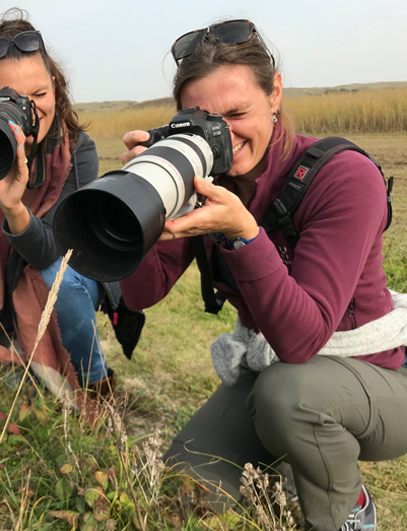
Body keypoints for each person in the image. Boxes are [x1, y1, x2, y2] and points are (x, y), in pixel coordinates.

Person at [118, 19, 407, 531]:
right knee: (190, 484)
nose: (223, 135)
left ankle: (347, 510)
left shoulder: (342, 176)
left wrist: (244, 235)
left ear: (275, 93)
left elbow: (302, 339)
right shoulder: (201, 174)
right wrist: (142, 205)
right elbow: (140, 294)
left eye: (237, 113)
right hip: (277, 370)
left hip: (379, 377)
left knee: (286, 397)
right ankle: (287, 477)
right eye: (204, 121)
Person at [0, 10, 125, 403]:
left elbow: (55, 249)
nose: (32, 109)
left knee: (56, 278)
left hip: (74, 269)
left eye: (39, 94)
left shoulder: (77, 150)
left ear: (55, 87)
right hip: (9, 270)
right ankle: (20, 342)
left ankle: (96, 379)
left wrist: (14, 207)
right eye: (13, 99)